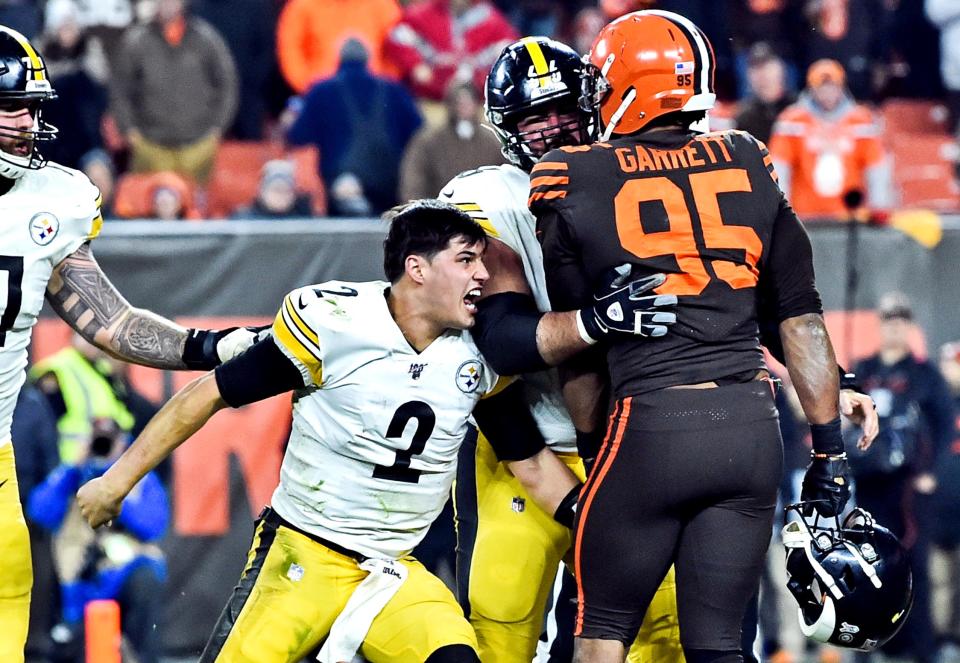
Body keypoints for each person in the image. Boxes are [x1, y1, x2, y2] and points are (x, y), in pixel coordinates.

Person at [75, 199, 668, 663]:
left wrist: (599, 521)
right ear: (417, 268)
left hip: (391, 570)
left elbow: (530, 462)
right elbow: (205, 395)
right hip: (301, 553)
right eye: (467, 260)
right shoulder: (334, 323)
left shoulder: (476, 358)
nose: (484, 276)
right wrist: (115, 482)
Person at [529, 10, 854, 663]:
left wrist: (597, 456)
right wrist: (830, 455)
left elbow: (584, 361)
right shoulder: (746, 157)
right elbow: (801, 320)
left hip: (650, 428)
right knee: (720, 645)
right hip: (750, 429)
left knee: (600, 641)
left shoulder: (567, 175)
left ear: (629, 87)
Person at [0, 25, 259, 663]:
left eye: (34, 108)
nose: (30, 123)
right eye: (13, 107)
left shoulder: (50, 202)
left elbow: (110, 321)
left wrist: (207, 347)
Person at [440, 37, 683, 663]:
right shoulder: (488, 198)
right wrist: (597, 323)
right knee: (501, 619)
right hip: (526, 444)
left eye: (565, 109)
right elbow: (496, 345)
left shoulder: (638, 175)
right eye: (533, 118)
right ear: (507, 129)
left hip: (638, 450)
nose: (553, 128)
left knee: (666, 632)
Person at [849, 293, 954, 662]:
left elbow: (944, 427)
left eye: (901, 320)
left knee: (914, 567)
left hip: (909, 490)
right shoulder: (862, 370)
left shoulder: (925, 375)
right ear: (880, 324)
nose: (894, 326)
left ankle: (922, 649)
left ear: (909, 326)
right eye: (888, 319)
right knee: (865, 567)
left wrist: (930, 473)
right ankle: (866, 646)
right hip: (869, 487)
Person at [27, 417, 168, 663]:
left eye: (108, 441)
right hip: (78, 583)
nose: (102, 446)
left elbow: (154, 525)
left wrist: (114, 482)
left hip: (125, 573)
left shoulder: (138, 477)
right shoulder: (75, 474)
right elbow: (39, 511)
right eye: (98, 440)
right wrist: (74, 466)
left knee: (146, 580)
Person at [109, 0, 238, 184]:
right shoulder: (136, 41)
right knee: (148, 206)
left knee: (196, 207)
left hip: (198, 145)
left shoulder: (206, 38)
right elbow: (119, 88)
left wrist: (218, 128)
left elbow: (227, 83)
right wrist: (129, 130)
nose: (168, 4)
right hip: (150, 145)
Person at [768, 59, 892, 221]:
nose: (827, 94)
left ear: (841, 87)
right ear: (812, 88)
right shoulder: (792, 122)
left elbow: (876, 167)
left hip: (848, 217)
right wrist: (780, 209)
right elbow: (779, 168)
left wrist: (879, 204)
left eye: (832, 87)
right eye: (822, 88)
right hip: (805, 217)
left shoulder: (861, 121)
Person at [399, 79, 504, 202]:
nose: (464, 107)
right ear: (450, 105)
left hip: (487, 211)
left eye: (468, 102)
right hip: (440, 212)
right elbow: (413, 181)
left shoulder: (492, 140)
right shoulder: (428, 141)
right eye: (459, 102)